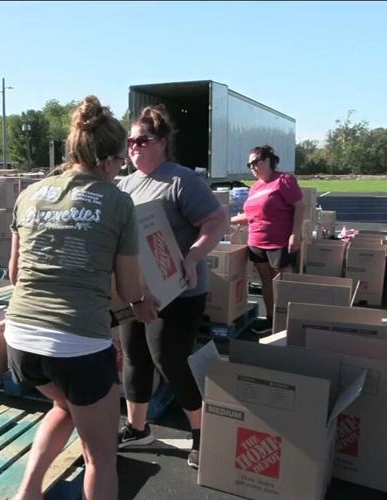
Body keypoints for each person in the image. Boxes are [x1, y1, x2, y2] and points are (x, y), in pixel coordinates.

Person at [4, 96, 157, 500]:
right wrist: (142, 304)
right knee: (100, 458)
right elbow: (129, 289)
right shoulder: (117, 202)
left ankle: (28, 493)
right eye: (119, 164)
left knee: (65, 408)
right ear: (108, 161)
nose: (120, 171)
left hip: (19, 337)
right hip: (75, 345)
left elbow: (14, 273)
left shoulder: (30, 193)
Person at [116, 104, 229, 469]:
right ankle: (137, 428)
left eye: (142, 140)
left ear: (162, 142)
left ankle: (201, 433)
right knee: (134, 354)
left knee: (169, 358)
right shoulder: (125, 184)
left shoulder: (181, 180)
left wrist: (193, 257)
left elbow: (215, 220)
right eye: (130, 141)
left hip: (181, 289)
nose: (134, 146)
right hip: (138, 289)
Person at [230, 145, 305, 334]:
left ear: (269, 161)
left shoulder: (284, 180)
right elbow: (251, 216)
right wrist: (227, 220)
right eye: (249, 164)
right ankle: (271, 320)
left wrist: (295, 233)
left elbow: (300, 206)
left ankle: (287, 324)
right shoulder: (254, 188)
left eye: (256, 162)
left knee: (283, 284)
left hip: (279, 242)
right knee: (266, 282)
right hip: (256, 243)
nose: (252, 167)